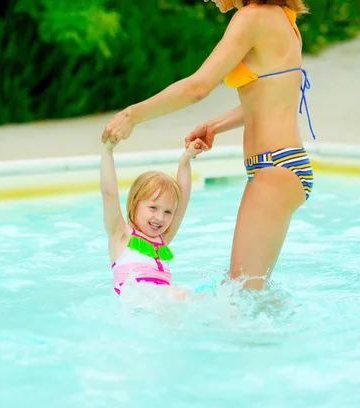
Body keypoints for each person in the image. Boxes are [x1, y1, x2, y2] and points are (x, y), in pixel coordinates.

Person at [101, 0, 316, 290]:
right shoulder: (284, 20)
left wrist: (133, 115)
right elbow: (266, 101)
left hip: (273, 168)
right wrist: (214, 126)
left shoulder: (252, 17)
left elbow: (197, 87)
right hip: (286, 165)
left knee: (242, 293)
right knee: (246, 290)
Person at [101, 139, 207, 295]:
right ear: (135, 203)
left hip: (160, 303)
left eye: (168, 212)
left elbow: (182, 201)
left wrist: (185, 159)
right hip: (138, 299)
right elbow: (109, 194)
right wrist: (108, 149)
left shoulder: (162, 238)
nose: (160, 218)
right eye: (153, 208)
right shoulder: (121, 234)